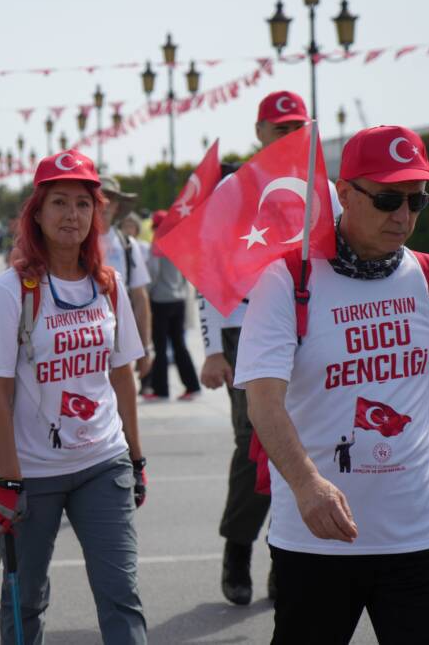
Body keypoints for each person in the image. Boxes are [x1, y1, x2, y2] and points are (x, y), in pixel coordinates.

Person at [235, 125, 429, 644]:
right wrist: (306, 484)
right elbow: (264, 404)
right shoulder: (287, 280)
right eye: (388, 198)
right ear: (343, 194)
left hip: (417, 537)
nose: (403, 215)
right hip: (315, 542)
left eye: (416, 200)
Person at [0, 149, 148, 644]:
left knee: (121, 594)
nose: (71, 215)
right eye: (58, 203)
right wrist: (8, 478)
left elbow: (122, 375)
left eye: (82, 203)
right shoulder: (12, 290)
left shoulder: (108, 284)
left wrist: (136, 458)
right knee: (26, 599)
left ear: (97, 214)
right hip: (29, 471)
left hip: (103, 461)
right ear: (37, 212)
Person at [198, 90, 342, 606]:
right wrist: (213, 347)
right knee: (252, 443)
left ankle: (287, 556)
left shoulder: (325, 187)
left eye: (297, 127)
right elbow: (208, 271)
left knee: (305, 440)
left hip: (310, 326)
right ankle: (238, 548)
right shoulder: (234, 190)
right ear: (260, 132)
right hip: (245, 328)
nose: (289, 136)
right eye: (279, 128)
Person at [143, 209, 201, 402]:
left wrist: (146, 293)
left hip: (160, 300)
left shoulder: (157, 247)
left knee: (160, 347)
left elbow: (153, 274)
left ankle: (161, 390)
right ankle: (192, 385)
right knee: (179, 344)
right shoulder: (179, 244)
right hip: (179, 300)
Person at [99, 175, 152, 380]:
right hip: (85, 339)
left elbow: (140, 298)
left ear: (117, 206)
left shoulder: (127, 244)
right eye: (97, 198)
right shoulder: (74, 243)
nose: (103, 204)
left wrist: (145, 348)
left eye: (109, 199)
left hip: (120, 339)